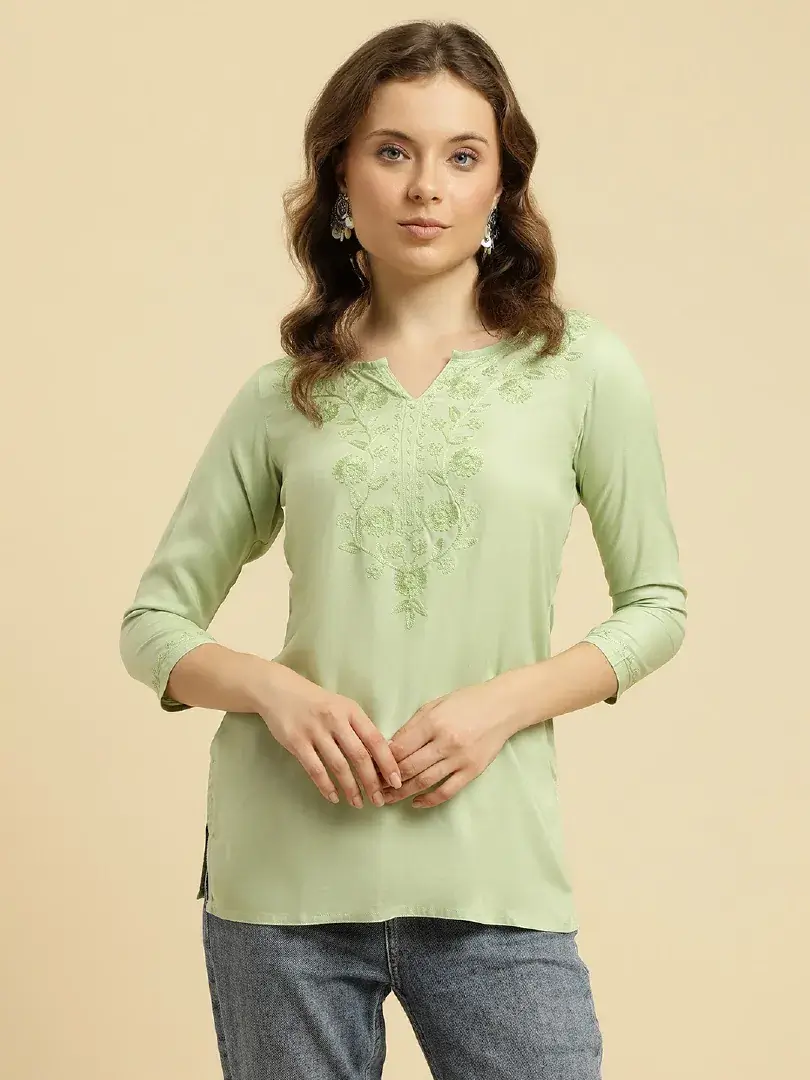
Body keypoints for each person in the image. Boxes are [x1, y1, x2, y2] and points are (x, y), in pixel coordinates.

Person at [119, 19, 687, 1080]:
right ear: (342, 175)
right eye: (392, 151)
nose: (426, 186)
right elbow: (152, 625)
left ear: (501, 185)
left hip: (491, 869)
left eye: (462, 155)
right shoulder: (283, 395)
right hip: (282, 882)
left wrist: (500, 706)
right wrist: (274, 694)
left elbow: (658, 605)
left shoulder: (581, 369)